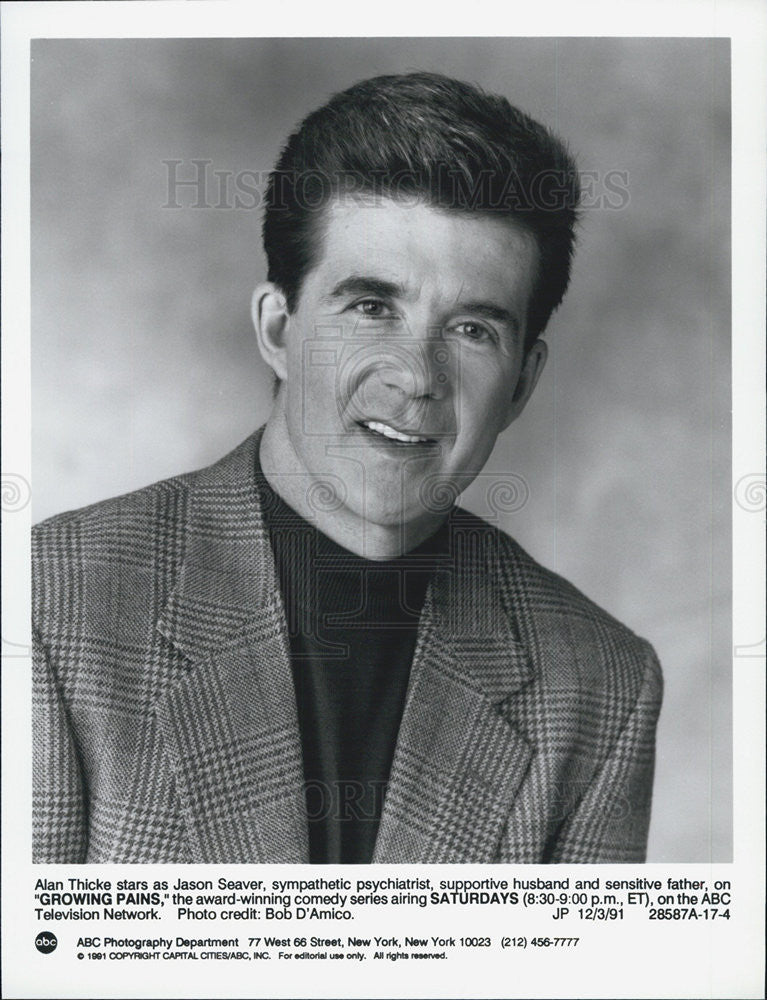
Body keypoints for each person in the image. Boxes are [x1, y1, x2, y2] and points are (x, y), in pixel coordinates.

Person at [32, 72, 662, 864]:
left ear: (522, 385)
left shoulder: (601, 684)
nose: (415, 376)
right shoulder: (50, 608)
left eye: (471, 329)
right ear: (276, 327)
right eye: (371, 308)